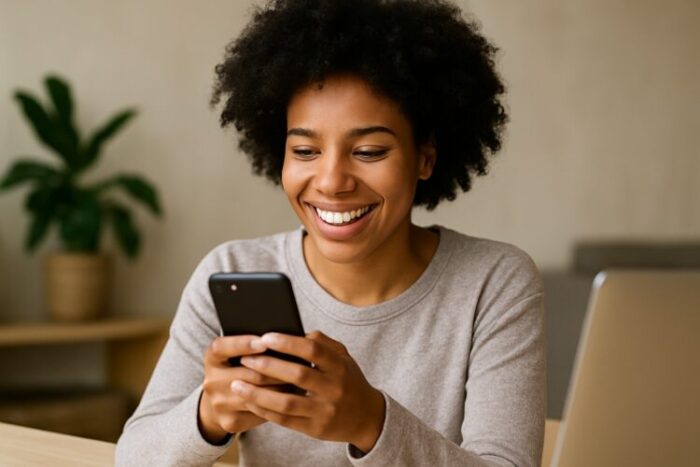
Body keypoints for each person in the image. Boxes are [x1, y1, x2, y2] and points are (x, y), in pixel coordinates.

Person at [115, 0, 545, 465]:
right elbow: (133, 457)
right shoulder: (233, 270)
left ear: (425, 157)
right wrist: (208, 415)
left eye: (369, 150)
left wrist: (370, 422)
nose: (331, 181)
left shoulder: (495, 282)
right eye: (304, 150)